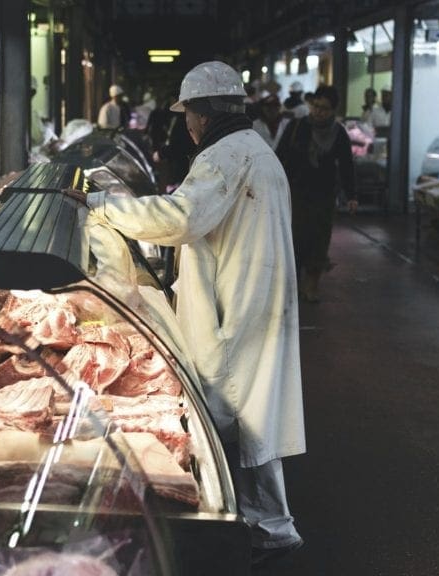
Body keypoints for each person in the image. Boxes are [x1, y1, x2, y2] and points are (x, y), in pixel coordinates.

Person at [81, 61, 306, 568]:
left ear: (202, 115)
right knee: (254, 421)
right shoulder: (255, 151)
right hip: (254, 300)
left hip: (235, 311)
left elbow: (181, 217)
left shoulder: (225, 157)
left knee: (231, 419)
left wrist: (103, 206)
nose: (188, 125)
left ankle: (232, 533)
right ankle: (269, 525)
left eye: (190, 115)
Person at [275, 84, 357, 303]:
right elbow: (279, 156)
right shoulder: (297, 126)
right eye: (316, 106)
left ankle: (311, 285)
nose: (319, 112)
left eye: (325, 108)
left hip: (324, 195)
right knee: (296, 238)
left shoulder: (338, 133)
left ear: (333, 111)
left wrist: (351, 195)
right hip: (297, 193)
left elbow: (347, 165)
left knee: (319, 239)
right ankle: (293, 285)